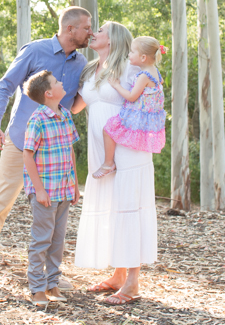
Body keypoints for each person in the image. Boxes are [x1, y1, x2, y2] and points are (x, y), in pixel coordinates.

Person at [0, 6, 92, 293]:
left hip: (54, 154)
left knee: (55, 216)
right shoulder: (35, 51)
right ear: (70, 29)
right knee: (0, 205)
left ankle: (50, 277)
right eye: (86, 27)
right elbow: (5, 86)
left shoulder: (81, 62)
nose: (90, 32)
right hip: (20, 142)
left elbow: (72, 105)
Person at [72, 22, 158, 305]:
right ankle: (119, 275)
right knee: (113, 207)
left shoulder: (130, 69)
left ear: (114, 39)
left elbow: (147, 103)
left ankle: (132, 282)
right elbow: (77, 106)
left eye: (101, 29)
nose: (94, 32)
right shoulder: (90, 69)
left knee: (129, 206)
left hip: (128, 147)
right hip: (103, 151)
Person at [22, 70, 80, 306]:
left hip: (65, 189)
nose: (61, 82)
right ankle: (37, 288)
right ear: (48, 93)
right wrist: (39, 190)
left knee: (57, 240)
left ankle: (52, 284)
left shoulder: (65, 114)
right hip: (45, 192)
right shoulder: (37, 119)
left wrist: (75, 184)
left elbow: (70, 150)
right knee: (42, 241)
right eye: (57, 82)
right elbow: (27, 156)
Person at [92, 36, 166, 179]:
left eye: (132, 52)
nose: (129, 54)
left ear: (143, 57)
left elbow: (132, 96)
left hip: (136, 114)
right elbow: (159, 83)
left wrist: (116, 85)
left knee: (108, 129)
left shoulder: (144, 76)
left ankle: (108, 163)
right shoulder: (155, 72)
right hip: (148, 116)